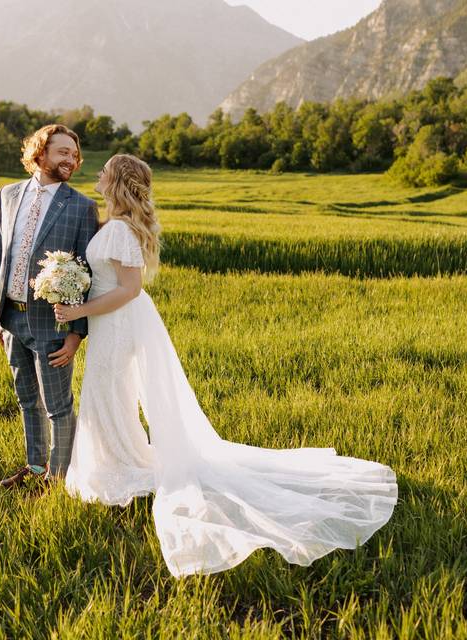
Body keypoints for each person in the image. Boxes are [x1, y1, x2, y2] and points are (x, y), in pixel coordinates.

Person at [55, 154, 398, 577]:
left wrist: (77, 311)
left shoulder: (122, 231)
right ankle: (120, 462)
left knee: (108, 394)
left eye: (106, 169)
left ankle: (121, 470)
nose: (99, 173)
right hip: (109, 324)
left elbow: (129, 289)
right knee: (107, 395)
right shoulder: (112, 225)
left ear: (119, 181)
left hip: (118, 322)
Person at [0, 124, 99, 487]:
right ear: (40, 153)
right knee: (27, 401)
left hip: (52, 324)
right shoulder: (7, 195)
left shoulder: (82, 207)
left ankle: (58, 479)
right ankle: (35, 470)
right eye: (63, 152)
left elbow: (88, 274)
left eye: (74, 154)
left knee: (58, 406)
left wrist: (76, 335)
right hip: (10, 319)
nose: (71, 160)